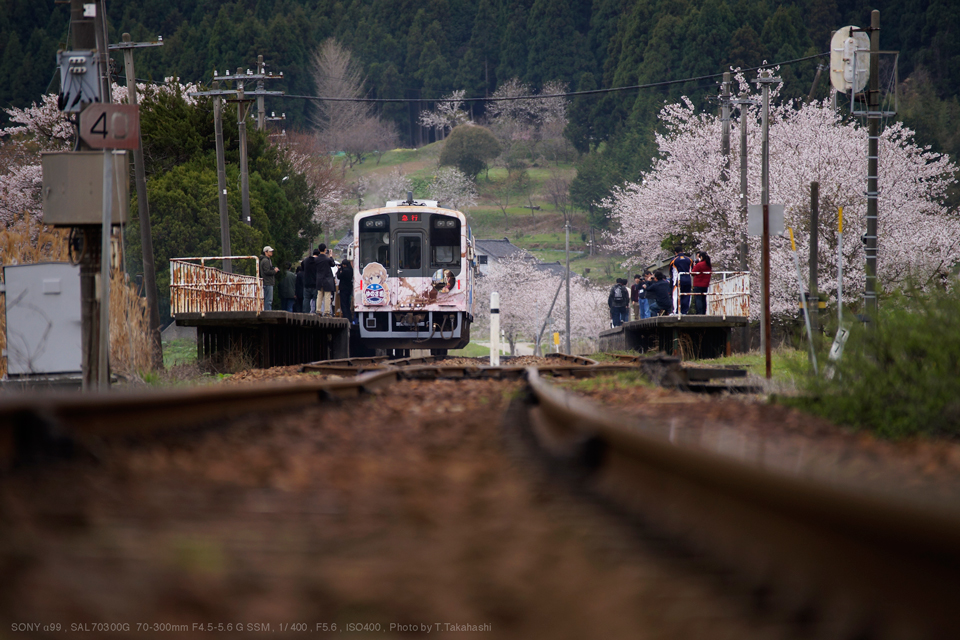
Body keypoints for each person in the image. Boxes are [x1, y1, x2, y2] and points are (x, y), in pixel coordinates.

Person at [670, 246, 693, 315]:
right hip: (688, 280)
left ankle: (676, 311)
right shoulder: (690, 260)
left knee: (676, 296)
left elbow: (671, 272)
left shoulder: (674, 260)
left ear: (675, 252)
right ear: (682, 251)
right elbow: (692, 270)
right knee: (687, 295)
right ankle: (685, 311)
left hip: (678, 280)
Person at [316, 243, 336, 316]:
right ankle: (326, 312)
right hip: (327, 279)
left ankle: (318, 311)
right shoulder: (327, 259)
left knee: (319, 295)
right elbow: (333, 264)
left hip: (319, 279)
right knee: (327, 296)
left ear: (318, 250)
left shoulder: (316, 259)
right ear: (325, 250)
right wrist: (330, 256)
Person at [692, 251, 713, 316]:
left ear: (701, 257)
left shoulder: (699, 264)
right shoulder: (708, 265)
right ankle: (703, 312)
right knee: (704, 299)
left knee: (698, 299)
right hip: (705, 284)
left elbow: (693, 272)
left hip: (698, 284)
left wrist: (695, 265)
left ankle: (699, 313)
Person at [259, 246, 280, 311]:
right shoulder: (266, 261)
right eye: (270, 251)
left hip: (267, 282)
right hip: (267, 282)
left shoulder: (267, 260)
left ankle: (267, 311)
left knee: (267, 299)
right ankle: (268, 312)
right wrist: (274, 271)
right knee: (268, 300)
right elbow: (267, 271)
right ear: (265, 252)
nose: (271, 252)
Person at [301, 248, 319, 313]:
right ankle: (317, 313)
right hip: (316, 284)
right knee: (317, 299)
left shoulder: (306, 260)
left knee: (306, 299)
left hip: (307, 283)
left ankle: (306, 313)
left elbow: (302, 267)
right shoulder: (318, 261)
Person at [337, 259, 354, 323]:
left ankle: (345, 317)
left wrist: (339, 271)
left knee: (343, 304)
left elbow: (339, 276)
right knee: (347, 304)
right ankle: (349, 317)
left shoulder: (344, 271)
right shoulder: (351, 270)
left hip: (343, 289)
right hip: (349, 288)